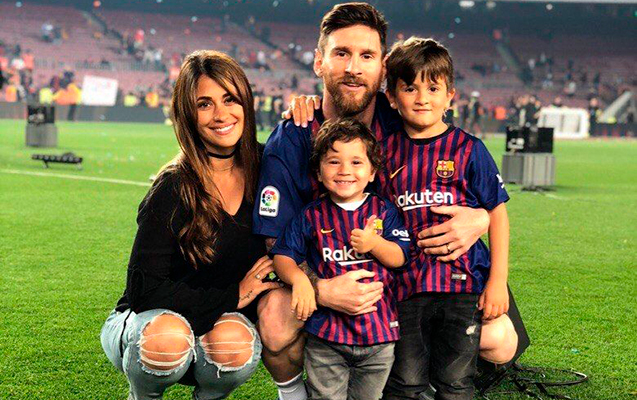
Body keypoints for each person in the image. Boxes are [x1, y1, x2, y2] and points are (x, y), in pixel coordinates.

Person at [254, 4, 493, 400]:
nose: (353, 68)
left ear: (383, 68)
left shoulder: (403, 114)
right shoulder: (293, 136)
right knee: (276, 322)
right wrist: (320, 289)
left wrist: (482, 217)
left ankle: (429, 376)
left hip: (409, 274)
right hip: (328, 272)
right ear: (319, 62)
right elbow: (273, 239)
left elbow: (460, 167)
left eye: (366, 56)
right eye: (341, 53)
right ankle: (295, 394)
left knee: (499, 338)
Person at [100, 50, 281, 400]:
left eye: (230, 99)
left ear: (246, 102)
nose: (221, 114)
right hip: (148, 323)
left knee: (235, 343)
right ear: (187, 113)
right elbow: (143, 291)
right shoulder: (173, 186)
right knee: (167, 337)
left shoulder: (268, 170)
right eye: (204, 104)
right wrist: (234, 295)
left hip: (216, 325)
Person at [381, 37, 510, 400]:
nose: (422, 98)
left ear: (450, 96)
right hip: (406, 288)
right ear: (392, 97)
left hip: (462, 287)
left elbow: (497, 214)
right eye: (410, 88)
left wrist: (497, 281)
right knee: (406, 381)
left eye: (433, 88)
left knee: (455, 381)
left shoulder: (469, 149)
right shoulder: (383, 153)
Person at [271, 119, 410, 400]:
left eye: (356, 162)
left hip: (379, 336)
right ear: (319, 172)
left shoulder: (384, 211)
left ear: (372, 172)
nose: (345, 170)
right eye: (334, 162)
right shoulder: (311, 215)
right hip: (327, 337)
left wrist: (375, 244)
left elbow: (399, 257)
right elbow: (283, 256)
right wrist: (300, 280)